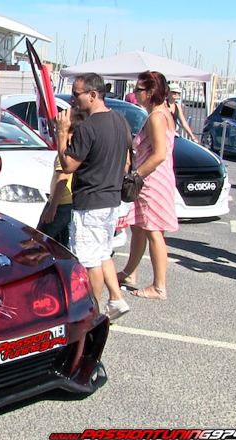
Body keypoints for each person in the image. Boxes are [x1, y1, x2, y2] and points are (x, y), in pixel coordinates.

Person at [56, 72, 131, 320]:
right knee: (102, 253)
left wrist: (62, 134)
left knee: (90, 262)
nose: (72, 99)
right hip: (111, 201)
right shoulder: (120, 120)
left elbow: (68, 165)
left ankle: (93, 312)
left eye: (76, 94)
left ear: (93, 94)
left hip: (90, 203)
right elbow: (127, 161)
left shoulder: (88, 127)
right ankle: (116, 299)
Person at [118, 71, 179, 301]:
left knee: (154, 231)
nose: (135, 94)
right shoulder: (163, 112)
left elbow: (159, 154)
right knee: (139, 227)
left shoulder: (156, 117)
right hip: (155, 179)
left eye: (139, 90)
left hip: (152, 180)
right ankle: (129, 273)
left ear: (151, 92)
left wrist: (136, 175)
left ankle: (159, 286)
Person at [37, 112, 85, 248]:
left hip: (60, 203)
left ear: (70, 133)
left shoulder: (65, 154)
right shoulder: (77, 151)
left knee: (41, 238)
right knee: (62, 243)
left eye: (58, 128)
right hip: (69, 203)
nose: (56, 132)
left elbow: (63, 178)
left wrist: (52, 208)